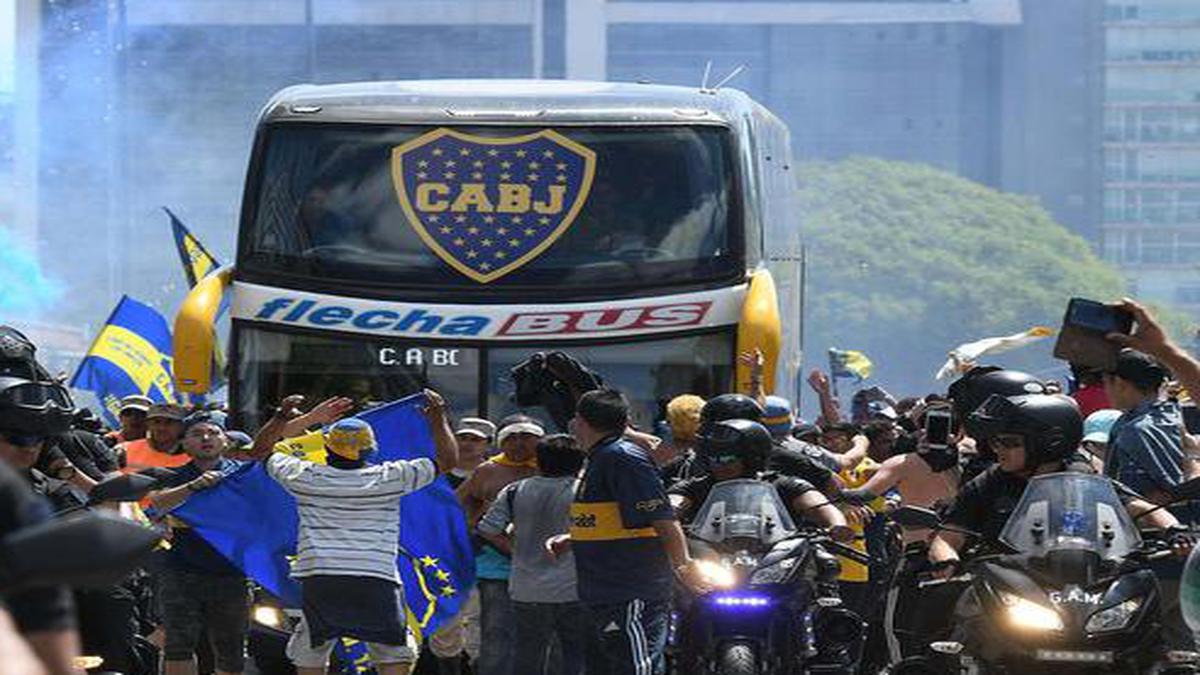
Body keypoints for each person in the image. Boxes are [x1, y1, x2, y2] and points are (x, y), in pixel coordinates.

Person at [252, 391, 457, 675]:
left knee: (312, 651)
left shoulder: (305, 476)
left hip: (321, 578)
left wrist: (281, 417)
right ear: (371, 449)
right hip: (377, 578)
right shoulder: (391, 477)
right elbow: (447, 460)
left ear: (326, 450)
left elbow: (260, 451)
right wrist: (437, 418)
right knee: (393, 652)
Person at [547, 388, 709, 675]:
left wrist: (684, 565)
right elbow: (621, 517)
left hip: (630, 591)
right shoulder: (600, 457)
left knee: (636, 668)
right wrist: (573, 539)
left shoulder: (623, 457)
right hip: (600, 593)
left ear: (579, 422)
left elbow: (662, 518)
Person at [147, 412, 252, 675]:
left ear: (226, 441)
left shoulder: (243, 477)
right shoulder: (172, 477)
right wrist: (193, 487)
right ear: (184, 444)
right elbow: (156, 505)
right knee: (178, 645)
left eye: (213, 433)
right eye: (196, 434)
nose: (206, 438)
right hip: (181, 571)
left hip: (232, 572)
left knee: (231, 650)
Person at [477, 434, 587, 675]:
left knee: (527, 656)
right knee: (574, 656)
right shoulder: (585, 491)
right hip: (575, 588)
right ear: (580, 462)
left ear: (538, 461)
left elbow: (487, 530)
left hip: (527, 589)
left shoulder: (515, 490)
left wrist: (515, 551)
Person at [0, 375, 84, 674]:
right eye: (17, 436)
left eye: (39, 439)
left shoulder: (16, 493)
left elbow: (44, 601)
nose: (30, 447)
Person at [457, 414, 544, 675]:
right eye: (511, 437)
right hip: (496, 568)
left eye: (526, 436)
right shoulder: (487, 471)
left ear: (539, 439)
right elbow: (455, 507)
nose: (518, 443)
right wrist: (478, 521)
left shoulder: (553, 466)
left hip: (547, 568)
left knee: (543, 636)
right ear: (500, 443)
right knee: (495, 633)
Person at [667, 419, 850, 536]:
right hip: (714, 560)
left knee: (825, 566)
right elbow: (673, 503)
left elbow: (818, 503)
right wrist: (666, 515)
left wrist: (837, 525)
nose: (719, 464)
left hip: (775, 557)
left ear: (751, 457)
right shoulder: (694, 486)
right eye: (713, 458)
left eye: (727, 458)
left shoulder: (783, 484)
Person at [1102, 348, 1195, 518]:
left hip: (1160, 527)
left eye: (1106, 382)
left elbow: (1174, 488)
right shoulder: (1174, 411)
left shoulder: (1135, 430)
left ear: (1120, 383)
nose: (1105, 390)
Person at [120, 403, 190, 473]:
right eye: (156, 422)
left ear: (181, 426)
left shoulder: (194, 452)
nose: (162, 428)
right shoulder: (125, 450)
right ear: (148, 424)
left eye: (169, 422)